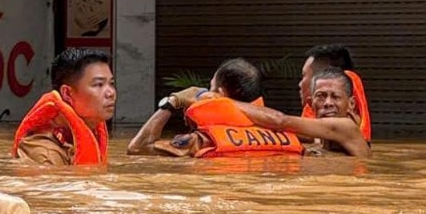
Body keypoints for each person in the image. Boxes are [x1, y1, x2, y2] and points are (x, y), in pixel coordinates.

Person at [127, 58, 304, 158]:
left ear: (218, 94)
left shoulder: (199, 141)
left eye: (209, 88)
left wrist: (172, 103)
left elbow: (137, 148)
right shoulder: (288, 137)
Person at [12, 48, 116, 166]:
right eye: (98, 84)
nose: (111, 93)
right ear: (67, 93)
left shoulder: (89, 133)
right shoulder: (45, 155)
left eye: (111, 84)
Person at [239, 67, 371, 158]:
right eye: (321, 96)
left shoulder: (346, 127)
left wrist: (224, 102)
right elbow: (272, 129)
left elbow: (280, 121)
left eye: (335, 97)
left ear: (351, 104)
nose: (328, 103)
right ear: (311, 103)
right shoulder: (316, 139)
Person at [299, 44, 371, 142]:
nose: (300, 84)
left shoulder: (349, 79)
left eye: (304, 76)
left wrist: (279, 123)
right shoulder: (313, 103)